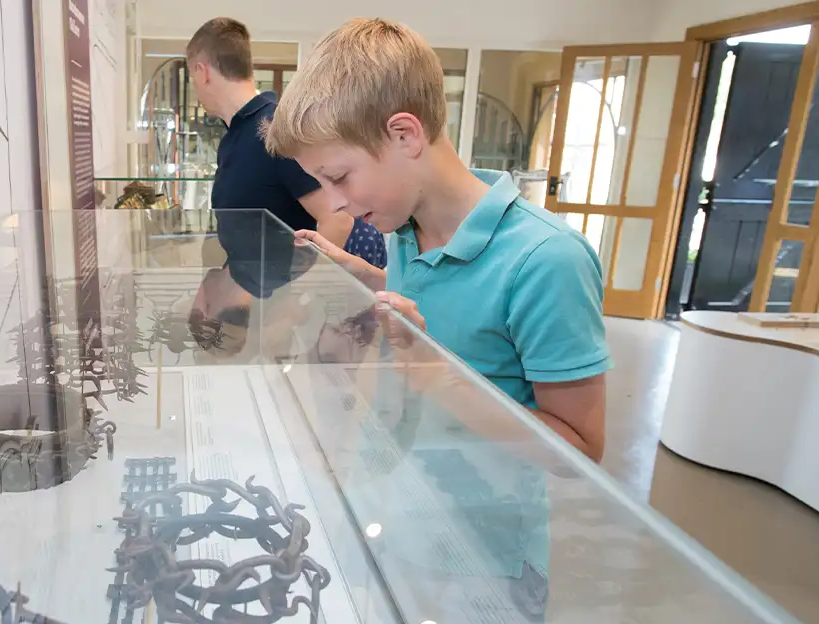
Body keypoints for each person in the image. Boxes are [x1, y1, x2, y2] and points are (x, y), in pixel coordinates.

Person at [264, 18, 610, 463]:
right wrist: (368, 277)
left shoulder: (549, 260)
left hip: (483, 518)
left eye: (339, 178)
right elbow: (443, 305)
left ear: (405, 135)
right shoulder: (404, 226)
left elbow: (581, 451)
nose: (334, 204)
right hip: (397, 490)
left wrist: (437, 375)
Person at [185, 17, 387, 268]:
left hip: (275, 299)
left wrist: (300, 293)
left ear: (202, 72)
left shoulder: (273, 129)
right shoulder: (234, 136)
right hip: (244, 294)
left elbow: (337, 219)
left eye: (193, 80)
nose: (196, 91)